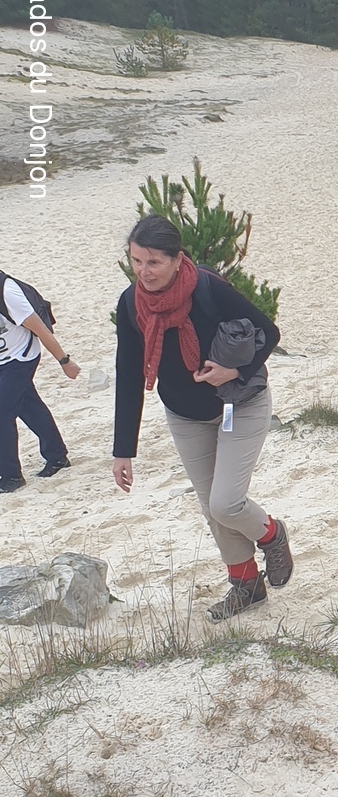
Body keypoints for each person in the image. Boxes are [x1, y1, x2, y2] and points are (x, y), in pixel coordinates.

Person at [112, 216, 293, 621]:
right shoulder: (131, 304)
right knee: (211, 508)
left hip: (238, 404)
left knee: (226, 503)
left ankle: (271, 534)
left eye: (154, 262)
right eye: (137, 261)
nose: (144, 271)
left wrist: (236, 370)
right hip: (185, 415)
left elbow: (269, 332)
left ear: (178, 259)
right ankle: (247, 586)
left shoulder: (208, 288)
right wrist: (123, 450)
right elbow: (128, 372)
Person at [0, 275, 79, 492]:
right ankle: (57, 456)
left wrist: (65, 361)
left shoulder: (8, 292)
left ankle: (11, 476)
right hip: (3, 360)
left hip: (20, 358)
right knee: (29, 406)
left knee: (2, 413)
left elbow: (41, 330)